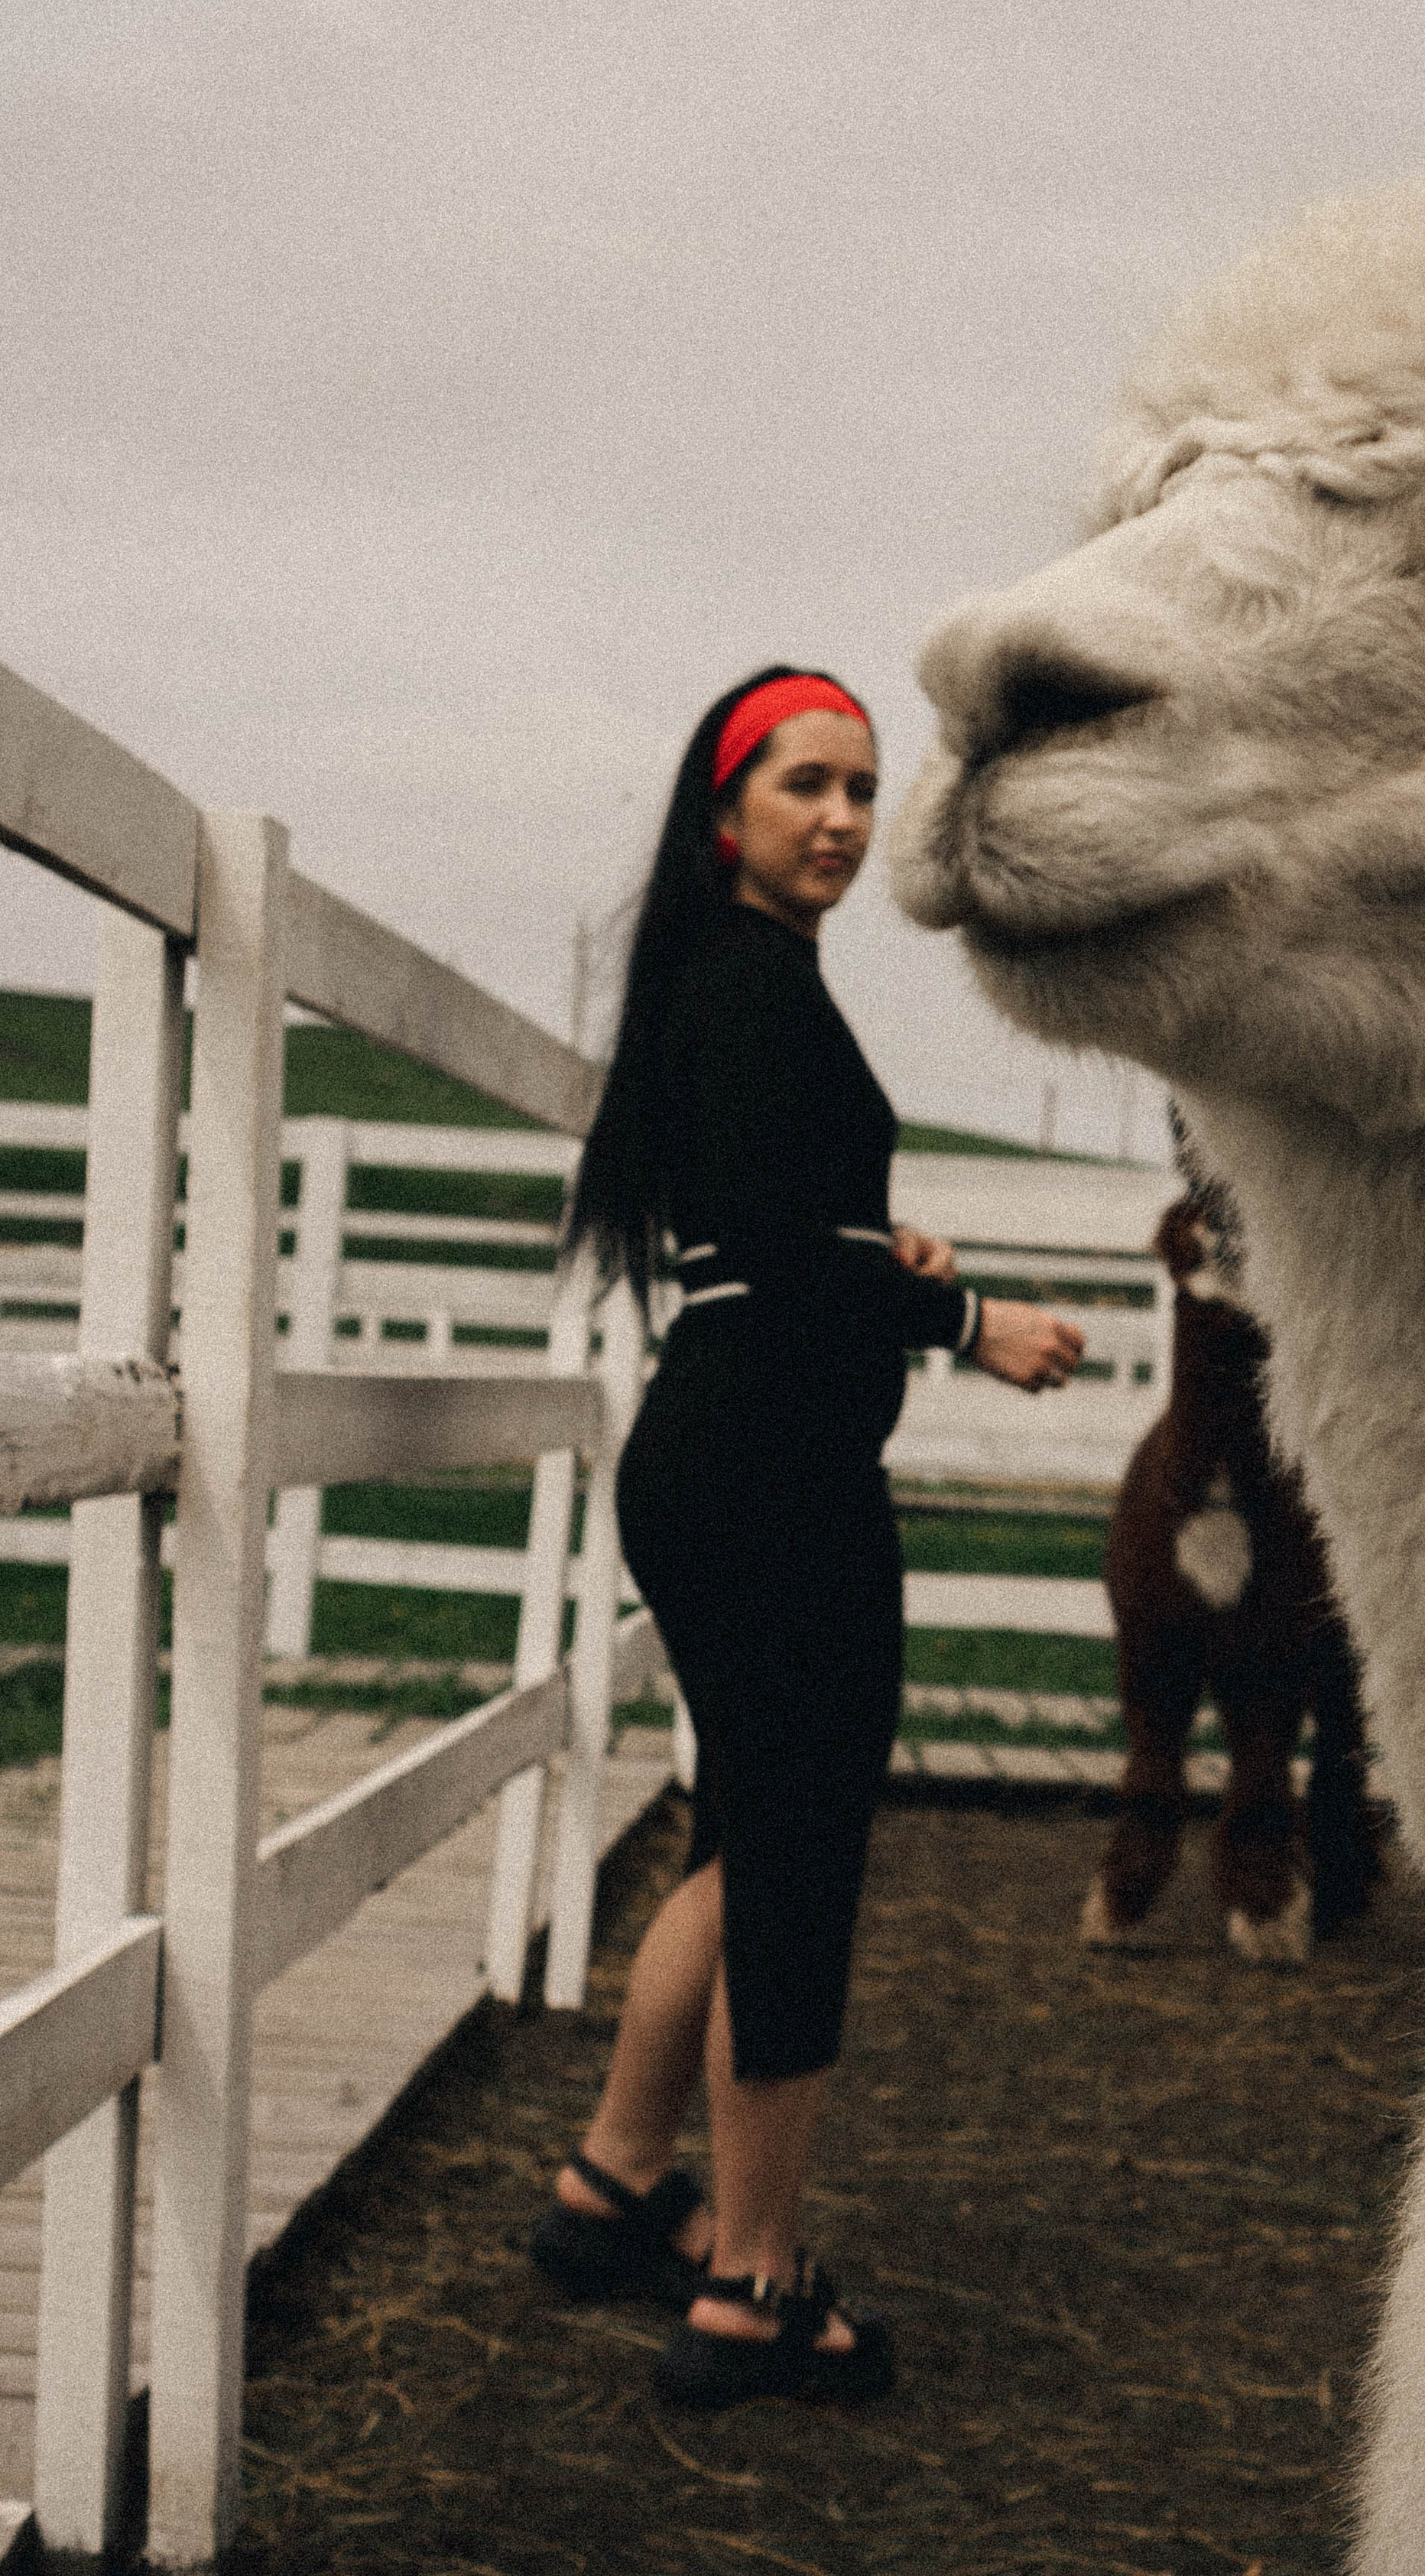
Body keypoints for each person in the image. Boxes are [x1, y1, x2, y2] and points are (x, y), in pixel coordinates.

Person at [528, 665, 1086, 2407]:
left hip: (729, 1463)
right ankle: (754, 2286)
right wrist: (967, 1316)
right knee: (794, 1859)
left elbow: (773, 1226)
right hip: (771, 1481)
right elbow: (779, 1259)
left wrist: (877, 1245)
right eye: (804, 786)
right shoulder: (753, 990)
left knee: (748, 1826)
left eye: (859, 786)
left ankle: (618, 2180)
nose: (842, 817)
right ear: (726, 815)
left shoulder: (734, 983)